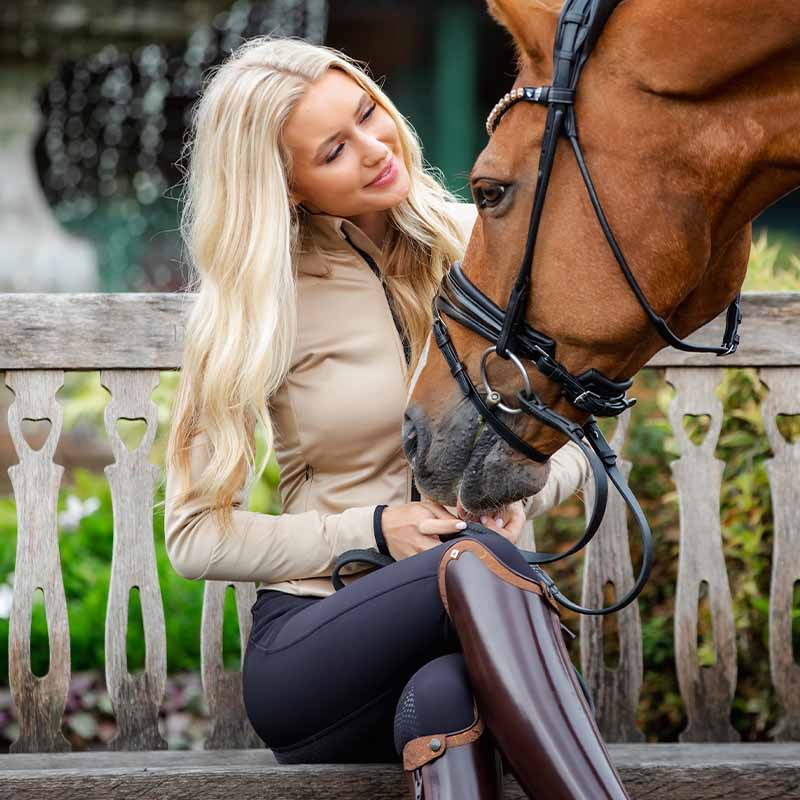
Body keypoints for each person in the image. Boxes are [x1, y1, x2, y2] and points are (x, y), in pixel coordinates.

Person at [162, 35, 623, 800]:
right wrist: (374, 530)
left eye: (369, 114)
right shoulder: (255, 307)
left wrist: (522, 490)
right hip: (321, 648)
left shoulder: (482, 248)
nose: (376, 148)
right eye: (335, 150)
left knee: (448, 687)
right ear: (289, 187)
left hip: (459, 649)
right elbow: (193, 537)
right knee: (474, 563)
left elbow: (588, 441)